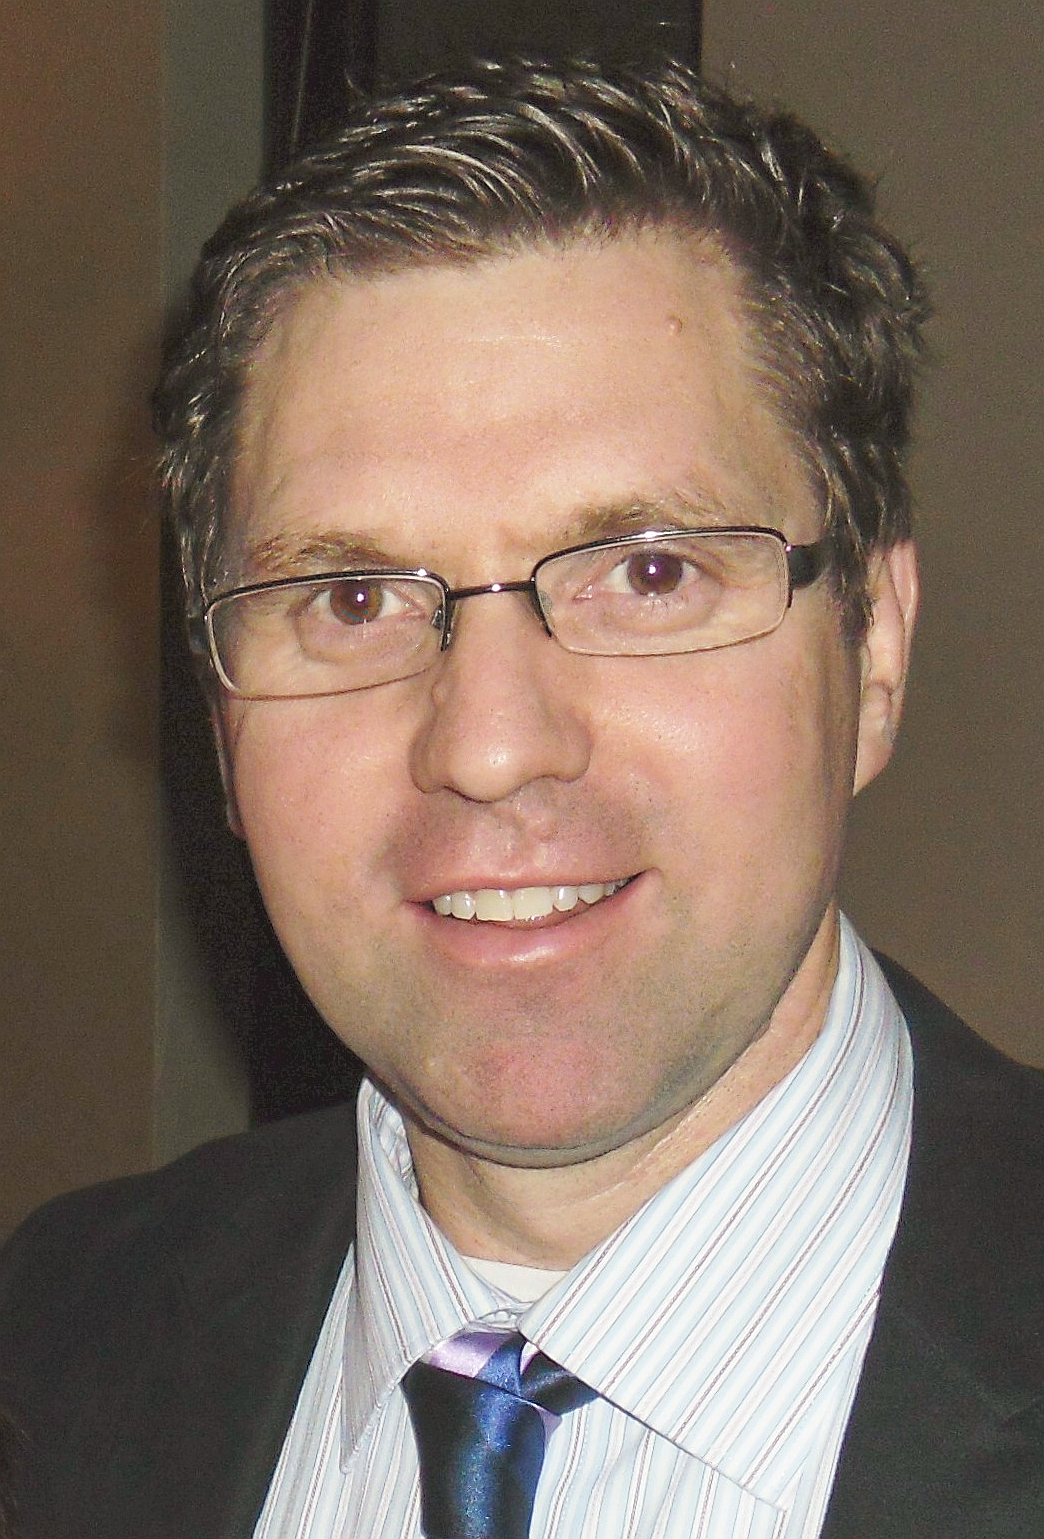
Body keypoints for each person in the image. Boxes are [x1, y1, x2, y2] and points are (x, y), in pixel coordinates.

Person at [0, 55, 1041, 1539]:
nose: (489, 746)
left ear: (871, 650)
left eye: (650, 572)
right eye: (351, 598)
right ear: (221, 715)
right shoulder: (54, 1349)